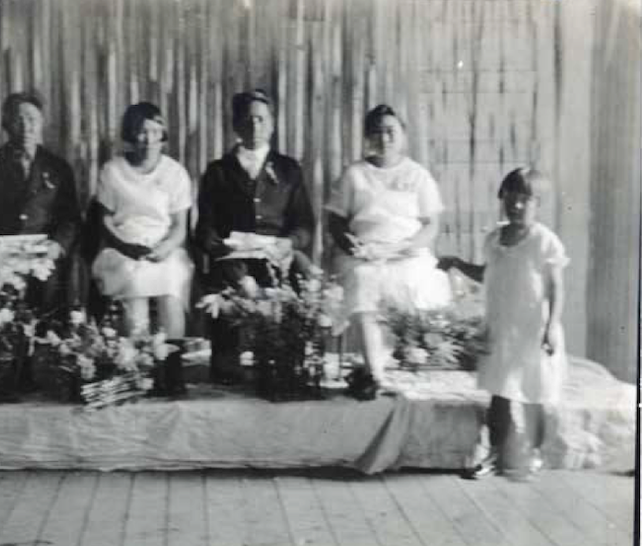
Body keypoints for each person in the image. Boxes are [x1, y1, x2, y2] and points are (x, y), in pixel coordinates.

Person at [439, 167, 567, 480]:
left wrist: (551, 326)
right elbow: (488, 274)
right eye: (511, 196)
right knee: (500, 393)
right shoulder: (494, 238)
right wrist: (456, 263)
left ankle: (534, 453)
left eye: (526, 199)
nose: (517, 205)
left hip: (533, 329)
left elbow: (556, 288)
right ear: (502, 198)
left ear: (539, 203)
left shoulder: (544, 241)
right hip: (501, 327)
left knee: (534, 394)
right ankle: (495, 453)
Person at [327, 103, 451, 399]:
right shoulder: (354, 174)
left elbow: (431, 226)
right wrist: (351, 243)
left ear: (403, 135)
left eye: (390, 131)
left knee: (413, 280)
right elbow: (335, 221)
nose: (384, 138)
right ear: (368, 136)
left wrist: (407, 247)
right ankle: (375, 373)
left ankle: (406, 364)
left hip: (406, 252)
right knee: (364, 280)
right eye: (377, 132)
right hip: (364, 252)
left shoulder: (418, 176)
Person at [196, 89, 316, 383]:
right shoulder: (218, 171)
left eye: (261, 119)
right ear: (236, 125)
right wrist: (220, 249)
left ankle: (288, 359)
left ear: (272, 123)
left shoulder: (288, 169)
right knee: (226, 282)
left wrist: (289, 243)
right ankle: (227, 361)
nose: (255, 126)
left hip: (276, 256)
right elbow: (205, 227)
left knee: (301, 275)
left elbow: (304, 224)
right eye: (247, 120)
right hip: (233, 258)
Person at [90, 101, 194, 394]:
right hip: (122, 247)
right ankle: (136, 369)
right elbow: (105, 222)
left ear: (163, 135)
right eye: (141, 132)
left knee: (170, 283)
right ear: (130, 135)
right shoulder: (112, 171)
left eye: (154, 131)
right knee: (133, 283)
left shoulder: (175, 173)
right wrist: (125, 245)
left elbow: (179, 228)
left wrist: (165, 249)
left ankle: (171, 372)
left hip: (163, 246)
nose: (148, 139)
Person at [0, 91, 81, 314]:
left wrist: (57, 246)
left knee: (47, 326)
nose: (26, 127)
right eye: (19, 120)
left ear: (42, 123)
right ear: (6, 125)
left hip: (44, 264)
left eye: (32, 119)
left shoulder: (58, 168)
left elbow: (71, 219)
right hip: (0, 264)